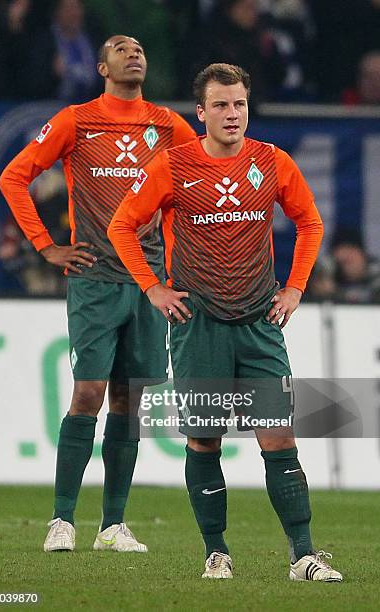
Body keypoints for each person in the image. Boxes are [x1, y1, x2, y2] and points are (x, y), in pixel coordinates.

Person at [108, 63, 343, 581]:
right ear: (201, 113)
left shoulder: (272, 162)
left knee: (278, 436)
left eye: (238, 103)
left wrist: (297, 286)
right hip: (198, 323)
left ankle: (302, 555)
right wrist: (153, 288)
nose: (232, 114)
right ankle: (217, 553)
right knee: (204, 440)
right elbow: (122, 225)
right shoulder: (173, 165)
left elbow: (310, 221)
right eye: (220, 105)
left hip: (260, 322)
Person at [0, 34, 196, 553]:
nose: (135, 53)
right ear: (103, 67)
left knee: (130, 402)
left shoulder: (169, 126)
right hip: (94, 279)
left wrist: (173, 269)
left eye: (140, 48)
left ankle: (113, 525)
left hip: (148, 284)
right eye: (121, 48)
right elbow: (13, 178)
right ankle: (62, 520)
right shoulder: (76, 120)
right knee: (88, 393)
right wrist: (45, 245)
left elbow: (184, 198)